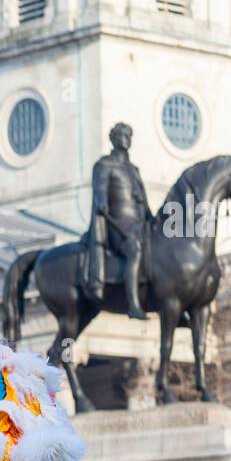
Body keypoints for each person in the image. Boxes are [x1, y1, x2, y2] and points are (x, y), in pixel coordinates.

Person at [83, 122, 151, 319]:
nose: (127, 138)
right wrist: (102, 202)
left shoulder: (133, 169)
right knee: (134, 250)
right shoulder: (105, 165)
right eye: (122, 134)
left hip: (140, 224)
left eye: (129, 135)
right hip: (117, 224)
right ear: (113, 138)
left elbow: (144, 203)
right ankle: (134, 305)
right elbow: (101, 197)